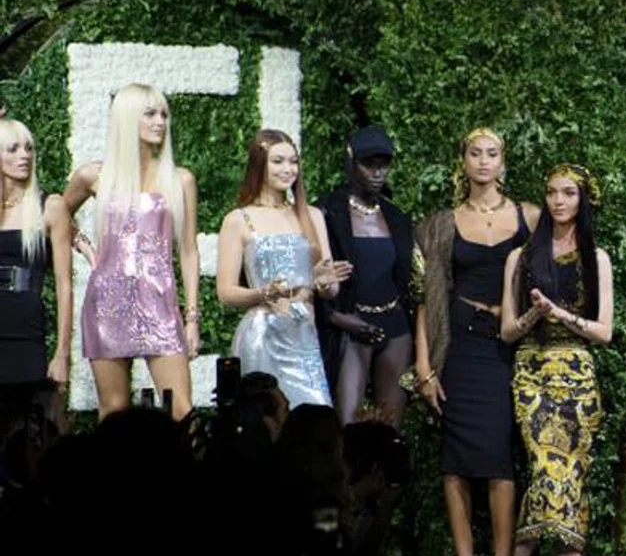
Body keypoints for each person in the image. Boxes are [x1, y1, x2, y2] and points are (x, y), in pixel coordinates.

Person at [412, 128, 537, 556]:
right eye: (475, 153)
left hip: (507, 350)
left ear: (503, 161)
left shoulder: (529, 216)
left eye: (492, 154)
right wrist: (425, 367)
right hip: (459, 349)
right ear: (462, 161)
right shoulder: (442, 223)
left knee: (500, 461)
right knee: (457, 463)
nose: (483, 161)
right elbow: (426, 298)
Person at [499, 164, 614, 556]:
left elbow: (604, 331)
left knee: (572, 482)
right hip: (533, 371)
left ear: (582, 200)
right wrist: (534, 313)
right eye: (551, 192)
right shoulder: (521, 257)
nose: (558, 201)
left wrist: (562, 313)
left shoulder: (596, 258)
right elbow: (508, 331)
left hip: (578, 373)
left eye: (568, 193)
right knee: (547, 468)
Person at [59, 84, 201, 420]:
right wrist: (88, 250)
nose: (160, 121)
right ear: (127, 118)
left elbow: (189, 250)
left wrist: (192, 318)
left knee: (181, 410)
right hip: (107, 303)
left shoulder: (180, 180)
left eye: (164, 114)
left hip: (160, 303)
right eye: (150, 113)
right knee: (113, 410)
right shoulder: (93, 175)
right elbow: (58, 215)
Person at [215, 130, 346, 408]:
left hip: (304, 336)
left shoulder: (312, 215)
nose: (288, 169)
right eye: (278, 161)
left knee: (316, 416)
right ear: (259, 164)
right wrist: (265, 293)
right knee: (262, 419)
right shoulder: (238, 220)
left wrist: (324, 283)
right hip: (263, 333)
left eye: (293, 161)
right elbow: (226, 293)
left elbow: (330, 288)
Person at [319, 126, 414, 425]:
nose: (378, 172)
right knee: (346, 426)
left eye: (384, 164)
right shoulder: (327, 212)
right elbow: (311, 280)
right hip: (350, 325)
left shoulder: (397, 216)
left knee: (390, 429)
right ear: (351, 162)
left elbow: (405, 278)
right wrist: (339, 318)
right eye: (369, 164)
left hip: (395, 327)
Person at [0, 118, 75, 392]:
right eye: (13, 149)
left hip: (26, 330)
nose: (24, 155)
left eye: (29, 148)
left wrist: (63, 353)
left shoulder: (50, 207)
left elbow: (64, 284)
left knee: (28, 412)